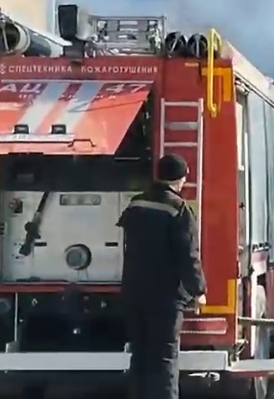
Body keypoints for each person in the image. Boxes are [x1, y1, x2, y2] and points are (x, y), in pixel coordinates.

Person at [117, 153, 207, 399]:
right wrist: (198, 290)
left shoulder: (136, 203)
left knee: (141, 357)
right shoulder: (178, 209)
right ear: (180, 179)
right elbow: (188, 254)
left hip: (134, 293)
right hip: (165, 298)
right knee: (165, 359)